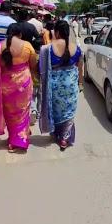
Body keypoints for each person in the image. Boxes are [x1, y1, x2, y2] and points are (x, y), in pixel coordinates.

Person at [0, 23, 37, 153]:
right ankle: (20, 138)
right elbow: (33, 63)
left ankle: (13, 138)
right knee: (23, 111)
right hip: (24, 84)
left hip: (6, 86)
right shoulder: (27, 45)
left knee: (10, 114)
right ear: (20, 34)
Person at [38, 20, 83, 151]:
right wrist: (80, 83)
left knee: (56, 110)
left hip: (55, 86)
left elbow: (41, 68)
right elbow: (80, 67)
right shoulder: (76, 47)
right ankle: (65, 138)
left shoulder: (48, 48)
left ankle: (55, 132)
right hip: (71, 85)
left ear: (56, 32)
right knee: (69, 112)